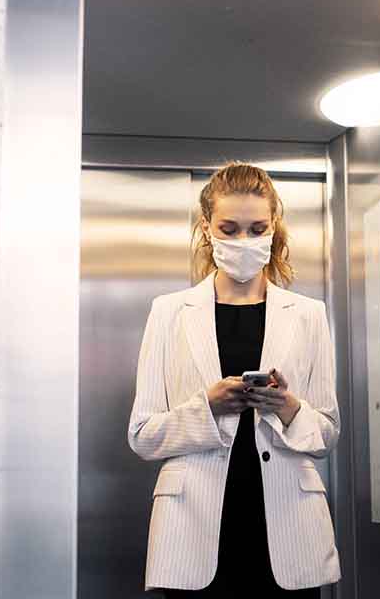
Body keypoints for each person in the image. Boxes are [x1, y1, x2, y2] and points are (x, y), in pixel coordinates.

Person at [127, 161, 341, 596]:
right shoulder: (168, 313)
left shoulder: (308, 315)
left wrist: (289, 407)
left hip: (289, 529)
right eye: (229, 228)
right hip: (193, 532)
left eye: (257, 228)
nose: (244, 241)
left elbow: (328, 434)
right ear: (206, 227)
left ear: (274, 227)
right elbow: (142, 435)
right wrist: (208, 407)